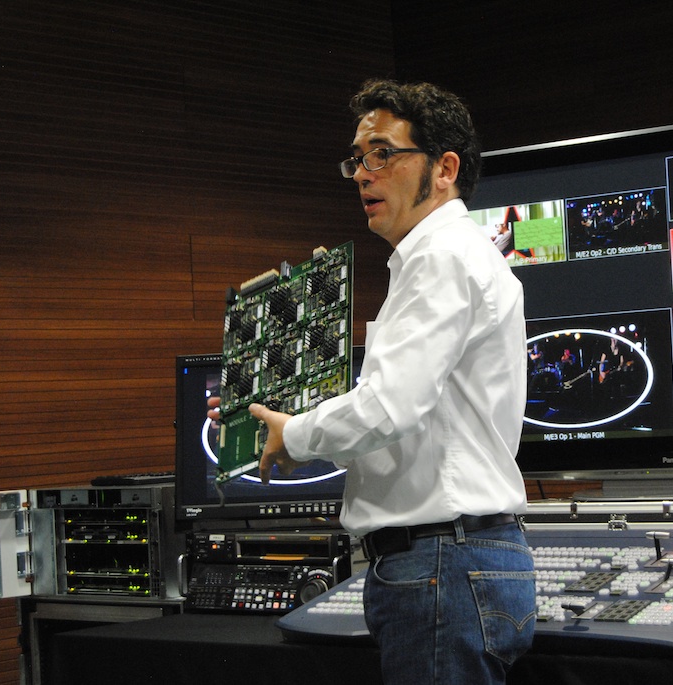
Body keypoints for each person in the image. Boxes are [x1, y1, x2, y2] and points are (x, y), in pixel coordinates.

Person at [210, 79, 535, 685]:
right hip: (451, 562)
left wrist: (295, 433)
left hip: (442, 562)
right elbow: (405, 417)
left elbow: (389, 407)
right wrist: (281, 419)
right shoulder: (446, 257)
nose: (362, 173)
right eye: (358, 159)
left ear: (445, 169)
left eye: (383, 154)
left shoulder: (441, 257)